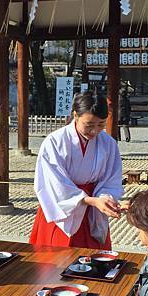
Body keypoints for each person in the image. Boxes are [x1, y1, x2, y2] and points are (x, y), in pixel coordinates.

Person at [29, 91, 123, 249]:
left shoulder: (108, 143)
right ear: (75, 115)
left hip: (92, 210)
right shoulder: (55, 141)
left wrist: (106, 199)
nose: (94, 131)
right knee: (53, 263)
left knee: (92, 263)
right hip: (61, 207)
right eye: (89, 125)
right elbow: (53, 183)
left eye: (101, 125)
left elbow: (110, 178)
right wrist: (91, 201)